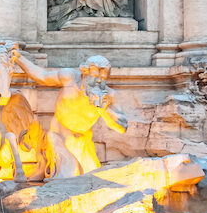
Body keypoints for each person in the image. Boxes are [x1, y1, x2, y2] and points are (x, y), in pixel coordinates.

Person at [10, 46, 128, 178]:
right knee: (69, 173)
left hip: (82, 142)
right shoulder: (69, 78)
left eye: (103, 79)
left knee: (93, 177)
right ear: (84, 72)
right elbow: (42, 76)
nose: (99, 82)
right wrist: (19, 58)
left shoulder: (109, 95)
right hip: (58, 137)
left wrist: (104, 109)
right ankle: (50, 164)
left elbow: (122, 127)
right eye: (95, 77)